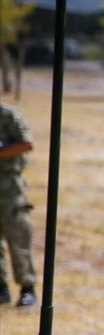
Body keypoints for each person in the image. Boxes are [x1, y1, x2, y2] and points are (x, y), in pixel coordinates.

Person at [0, 102, 37, 307]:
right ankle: (1, 289)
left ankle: (27, 288)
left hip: (9, 186)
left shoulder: (9, 115)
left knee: (18, 237)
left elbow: (27, 144)